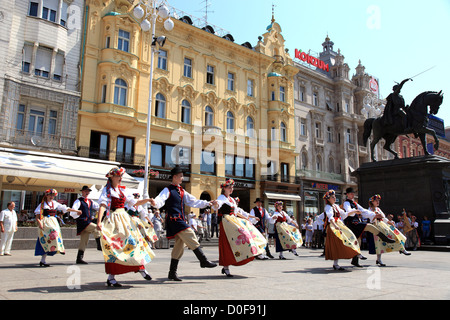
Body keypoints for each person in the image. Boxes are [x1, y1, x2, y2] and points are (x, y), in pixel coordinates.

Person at [149, 166, 217, 282]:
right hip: (174, 220)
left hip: (180, 220)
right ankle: (203, 260)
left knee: (179, 246)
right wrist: (154, 203)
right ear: (174, 177)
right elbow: (160, 200)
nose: (182, 178)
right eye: (180, 176)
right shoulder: (168, 190)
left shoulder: (181, 190)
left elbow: (193, 201)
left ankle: (172, 273)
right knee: (190, 234)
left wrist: (208, 203)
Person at [96, 167, 155, 287]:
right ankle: (111, 277)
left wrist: (148, 200)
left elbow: (135, 203)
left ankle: (141, 268)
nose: (120, 178)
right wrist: (99, 221)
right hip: (113, 219)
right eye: (118, 176)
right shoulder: (107, 191)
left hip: (125, 219)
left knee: (134, 242)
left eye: (121, 176)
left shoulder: (123, 190)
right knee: (115, 247)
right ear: (111, 177)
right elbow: (102, 205)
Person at [211, 179, 267, 277]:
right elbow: (217, 204)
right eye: (229, 187)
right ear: (224, 189)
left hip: (233, 221)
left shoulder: (231, 199)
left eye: (232, 187)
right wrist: (215, 204)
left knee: (247, 232)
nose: (231, 189)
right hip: (226, 222)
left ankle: (255, 251)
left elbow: (237, 212)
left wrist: (247, 219)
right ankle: (226, 267)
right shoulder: (222, 197)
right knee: (230, 242)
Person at [343, 187, 395, 268]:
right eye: (350, 194)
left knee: (358, 241)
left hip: (356, 223)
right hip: (352, 224)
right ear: (347, 195)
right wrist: (354, 211)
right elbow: (348, 211)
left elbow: (364, 210)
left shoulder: (355, 203)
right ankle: (384, 238)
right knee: (369, 227)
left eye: (353, 193)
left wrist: (374, 215)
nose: (352, 195)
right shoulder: (346, 203)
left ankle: (355, 261)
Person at [34, 189, 81, 267]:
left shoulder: (54, 203)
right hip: (45, 223)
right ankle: (43, 259)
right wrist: (40, 224)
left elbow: (65, 208)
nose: (52, 197)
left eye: (53, 195)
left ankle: (57, 249)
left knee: (55, 236)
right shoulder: (42, 205)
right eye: (50, 195)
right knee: (45, 240)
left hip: (53, 222)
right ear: (47, 195)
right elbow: (37, 216)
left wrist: (76, 210)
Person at [366, 195, 410, 267]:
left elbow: (384, 218)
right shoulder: (369, 209)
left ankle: (402, 248)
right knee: (379, 243)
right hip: (376, 227)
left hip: (382, 225)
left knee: (395, 234)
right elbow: (370, 219)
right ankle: (379, 259)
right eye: (376, 201)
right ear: (372, 202)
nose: (378, 202)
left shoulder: (378, 209)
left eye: (378, 201)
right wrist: (375, 216)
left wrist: (390, 222)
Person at [322, 190, 361, 270]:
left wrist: (354, 211)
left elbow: (344, 214)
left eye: (334, 196)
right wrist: (335, 226)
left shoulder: (336, 206)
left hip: (339, 224)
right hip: (333, 227)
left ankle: (356, 252)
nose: (334, 198)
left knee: (349, 235)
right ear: (328, 199)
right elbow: (330, 218)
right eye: (332, 197)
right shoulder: (328, 207)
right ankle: (336, 264)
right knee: (337, 244)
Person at [70, 186, 101, 264]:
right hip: (83, 223)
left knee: (84, 241)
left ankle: (79, 258)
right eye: (85, 191)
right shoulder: (78, 201)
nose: (87, 193)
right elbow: (73, 211)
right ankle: (99, 245)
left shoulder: (91, 201)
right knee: (96, 228)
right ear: (82, 192)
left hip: (87, 222)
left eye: (88, 191)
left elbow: (98, 207)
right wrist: (77, 212)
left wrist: (106, 207)